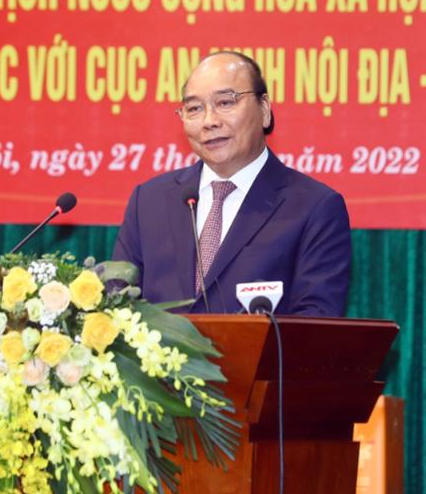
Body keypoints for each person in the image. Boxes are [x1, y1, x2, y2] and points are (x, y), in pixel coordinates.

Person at [112, 51, 351, 316]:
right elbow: (115, 305)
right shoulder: (149, 201)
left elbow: (316, 321)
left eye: (225, 102)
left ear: (264, 110)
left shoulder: (314, 208)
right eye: (194, 108)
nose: (209, 121)